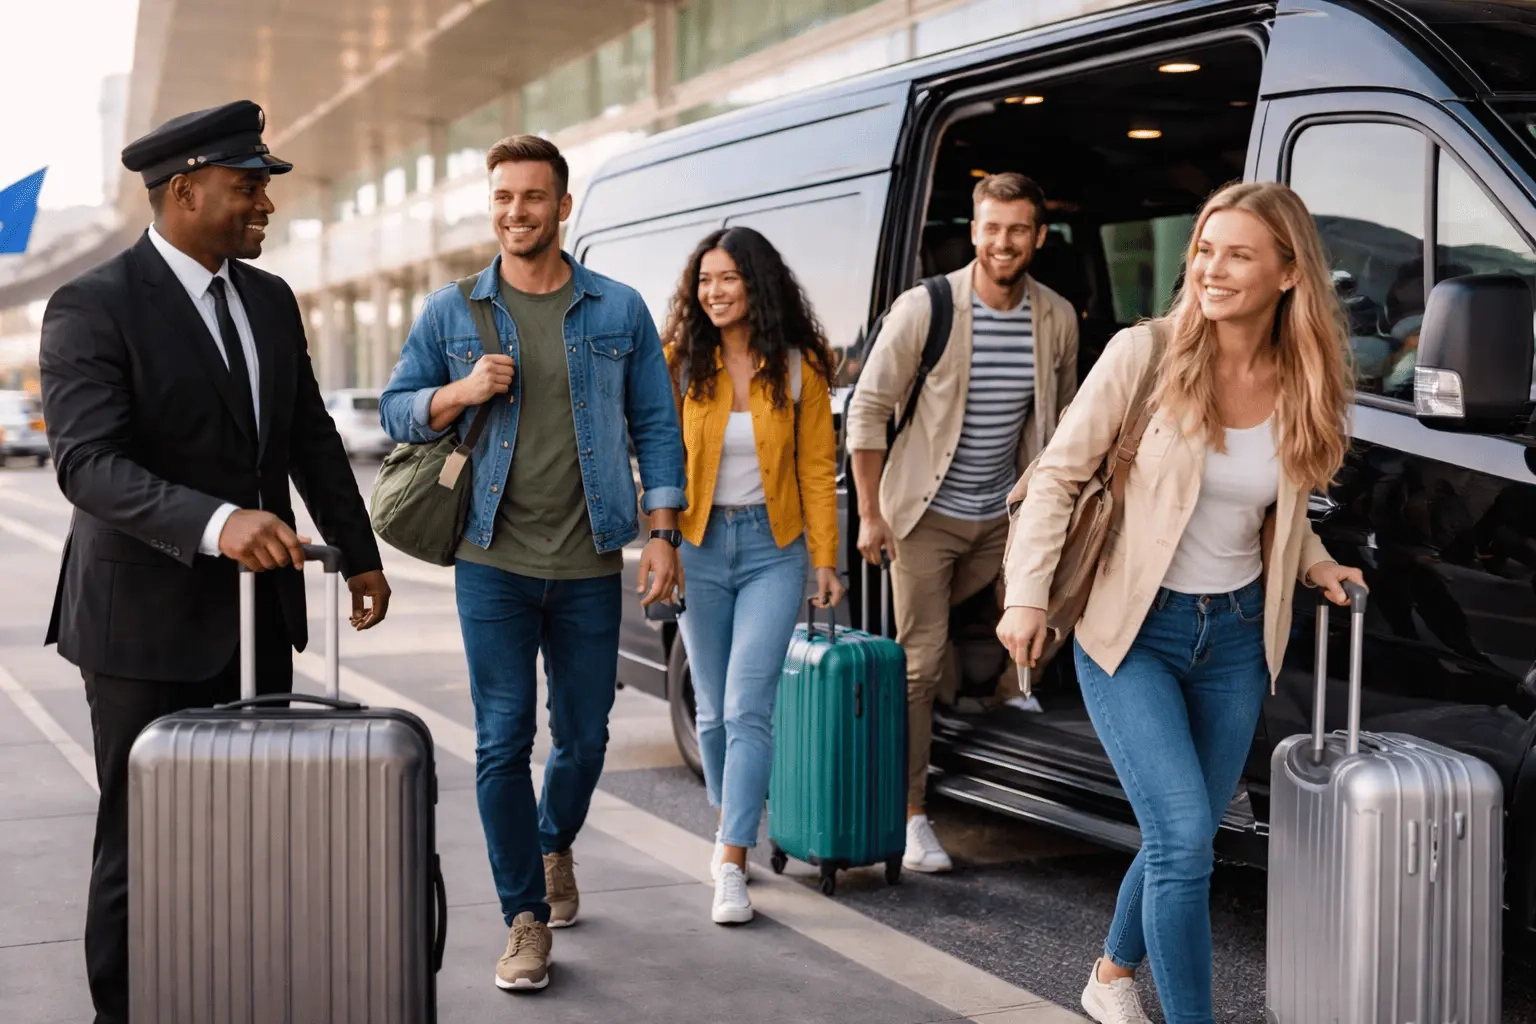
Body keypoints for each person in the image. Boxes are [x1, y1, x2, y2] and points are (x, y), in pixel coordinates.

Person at [38, 100, 392, 1024]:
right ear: (184, 190)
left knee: (248, 834)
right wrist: (219, 520)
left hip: (256, 621)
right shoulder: (92, 304)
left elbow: (309, 437)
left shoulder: (269, 300)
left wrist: (357, 556)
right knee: (143, 838)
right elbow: (88, 464)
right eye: (248, 188)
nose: (265, 206)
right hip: (143, 630)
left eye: (265, 189)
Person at [996, 181, 1367, 1024]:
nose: (1211, 267)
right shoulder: (1146, 354)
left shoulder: (1307, 380)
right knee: (1183, 842)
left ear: (1287, 272)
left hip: (1236, 635)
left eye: (1237, 253)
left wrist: (1314, 564)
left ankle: (1111, 975)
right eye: (1204, 248)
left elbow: (1275, 506)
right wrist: (1025, 596)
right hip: (1132, 631)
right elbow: (1057, 477)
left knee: (1185, 838)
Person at [379, 134, 685, 993]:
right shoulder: (453, 312)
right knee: (503, 740)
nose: (516, 212)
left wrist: (662, 529)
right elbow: (398, 412)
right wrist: (460, 392)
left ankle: (555, 844)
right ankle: (523, 916)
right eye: (503, 197)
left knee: (585, 737)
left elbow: (657, 425)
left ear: (563, 206)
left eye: (533, 197)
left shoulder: (618, 310)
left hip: (591, 558)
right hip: (492, 560)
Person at [845, 172, 1080, 873]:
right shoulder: (927, 308)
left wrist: (1050, 508)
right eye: (990, 227)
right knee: (919, 663)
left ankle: (1013, 692)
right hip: (924, 516)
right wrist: (868, 515)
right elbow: (867, 412)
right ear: (973, 229)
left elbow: (1059, 424)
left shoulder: (1057, 317)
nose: (1002, 242)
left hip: (1006, 514)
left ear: (1038, 236)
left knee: (1065, 590)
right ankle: (914, 815)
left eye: (1016, 230)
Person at [661, 226, 842, 925]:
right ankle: (727, 821)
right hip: (699, 548)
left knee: (746, 706)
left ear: (756, 284)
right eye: (704, 280)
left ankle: (733, 858)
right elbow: (660, 460)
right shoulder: (679, 365)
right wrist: (663, 542)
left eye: (728, 278)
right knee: (711, 710)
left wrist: (825, 559)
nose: (713, 291)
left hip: (774, 546)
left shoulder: (798, 367)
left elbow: (816, 470)